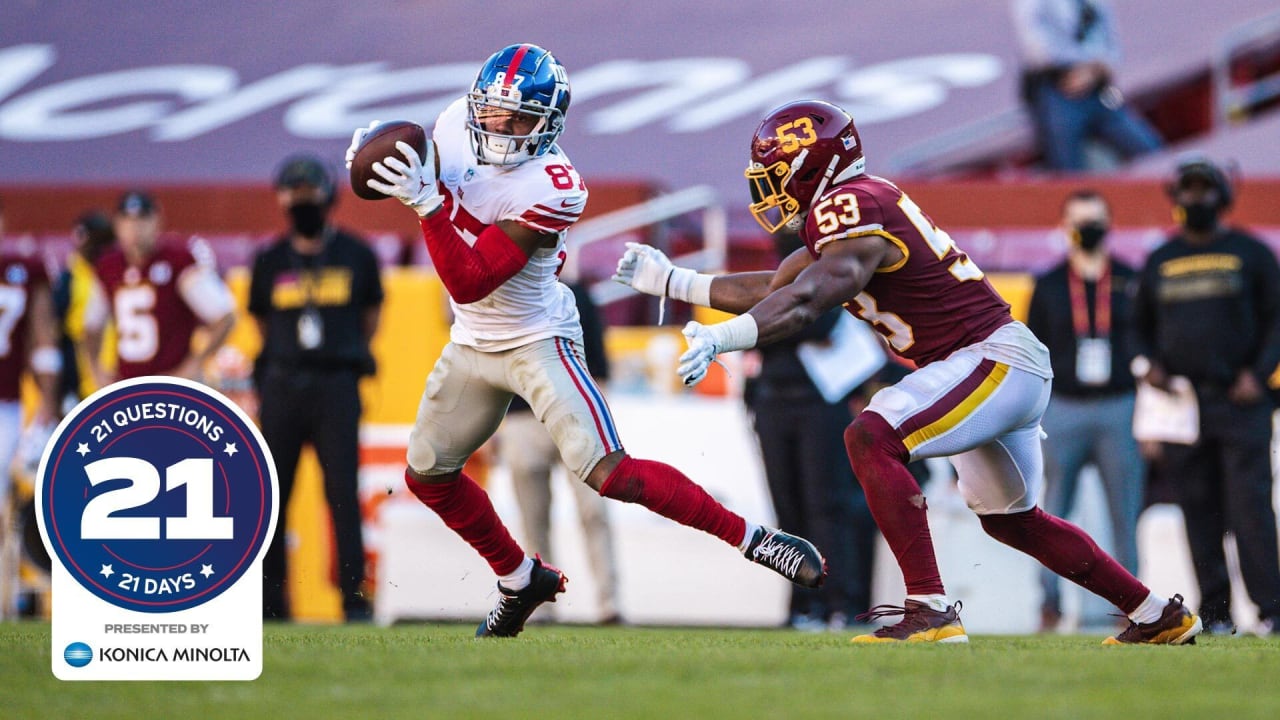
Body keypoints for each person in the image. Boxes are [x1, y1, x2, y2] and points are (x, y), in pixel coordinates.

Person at [614, 99, 1200, 645]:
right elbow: (774, 287)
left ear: (811, 166)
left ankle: (929, 608)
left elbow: (813, 295)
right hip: (989, 363)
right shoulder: (850, 207)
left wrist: (724, 338)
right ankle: (1156, 614)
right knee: (1012, 522)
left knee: (871, 435)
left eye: (776, 172)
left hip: (987, 358)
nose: (767, 189)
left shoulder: (853, 204)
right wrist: (670, 281)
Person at [347, 42, 825, 638]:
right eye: (492, 112)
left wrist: (424, 202)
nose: (500, 126)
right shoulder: (450, 126)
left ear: (547, 126)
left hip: (535, 338)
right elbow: (413, 179)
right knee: (427, 475)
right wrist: (375, 164)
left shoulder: (555, 184)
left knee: (609, 474)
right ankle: (521, 578)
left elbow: (470, 280)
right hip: (471, 344)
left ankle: (756, 539)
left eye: (518, 118)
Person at [1131, 156, 1280, 636]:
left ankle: (1272, 610)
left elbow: (1278, 320)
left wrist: (1259, 374)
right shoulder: (1160, 260)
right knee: (1199, 510)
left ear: (1224, 196)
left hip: (1243, 403)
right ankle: (1215, 614)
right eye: (1188, 190)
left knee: (1251, 509)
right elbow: (1138, 330)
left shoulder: (1252, 253)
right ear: (1176, 198)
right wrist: (1148, 365)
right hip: (1183, 406)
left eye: (1205, 188)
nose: (1197, 199)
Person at [249, 154, 384, 622]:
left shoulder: (356, 254)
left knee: (343, 494)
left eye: (311, 195)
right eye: (295, 195)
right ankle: (271, 604)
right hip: (282, 384)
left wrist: (343, 354)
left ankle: (354, 598)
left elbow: (371, 316)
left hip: (336, 384)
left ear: (329, 198)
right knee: (272, 497)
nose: (304, 204)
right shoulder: (268, 259)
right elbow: (262, 321)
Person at [743, 231, 876, 631]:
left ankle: (840, 602)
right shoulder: (775, 283)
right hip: (772, 401)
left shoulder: (825, 281)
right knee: (786, 511)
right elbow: (760, 329)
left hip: (821, 402)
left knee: (826, 505)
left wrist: (770, 326)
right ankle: (801, 603)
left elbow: (818, 325)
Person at [1026, 189, 1144, 632]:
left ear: (1110, 223)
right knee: (1050, 511)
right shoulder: (1051, 283)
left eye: (1094, 219)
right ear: (1064, 227)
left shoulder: (1132, 279)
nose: (1087, 228)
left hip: (1119, 404)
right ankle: (1049, 604)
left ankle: (1132, 606)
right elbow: (1034, 349)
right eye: (1079, 220)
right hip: (1065, 407)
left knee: (1125, 513)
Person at [495, 281, 622, 625]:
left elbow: (598, 362)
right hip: (523, 418)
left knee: (593, 510)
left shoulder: (575, 295)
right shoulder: (509, 294)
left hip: (573, 416)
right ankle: (543, 604)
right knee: (534, 519)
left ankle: (609, 602)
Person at [82, 191, 237, 384]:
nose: (135, 227)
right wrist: (97, 370)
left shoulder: (178, 261)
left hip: (171, 381)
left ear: (157, 220)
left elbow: (225, 317)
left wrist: (192, 366)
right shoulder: (108, 267)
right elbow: (91, 327)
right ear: (117, 224)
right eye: (128, 220)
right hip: (128, 382)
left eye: (142, 220)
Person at [1011, 0, 1162, 171]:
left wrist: (1094, 70)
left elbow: (1111, 41)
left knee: (1149, 149)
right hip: (1059, 90)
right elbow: (1037, 48)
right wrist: (1081, 65)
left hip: (1099, 90)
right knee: (1067, 169)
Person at [0, 199, 61, 619]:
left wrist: (48, 402)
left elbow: (42, 339)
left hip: (6, 404)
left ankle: (6, 604)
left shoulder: (21, 269)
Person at [53, 210, 116, 410]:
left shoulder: (117, 271)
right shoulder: (70, 277)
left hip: (116, 366)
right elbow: (56, 327)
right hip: (81, 371)